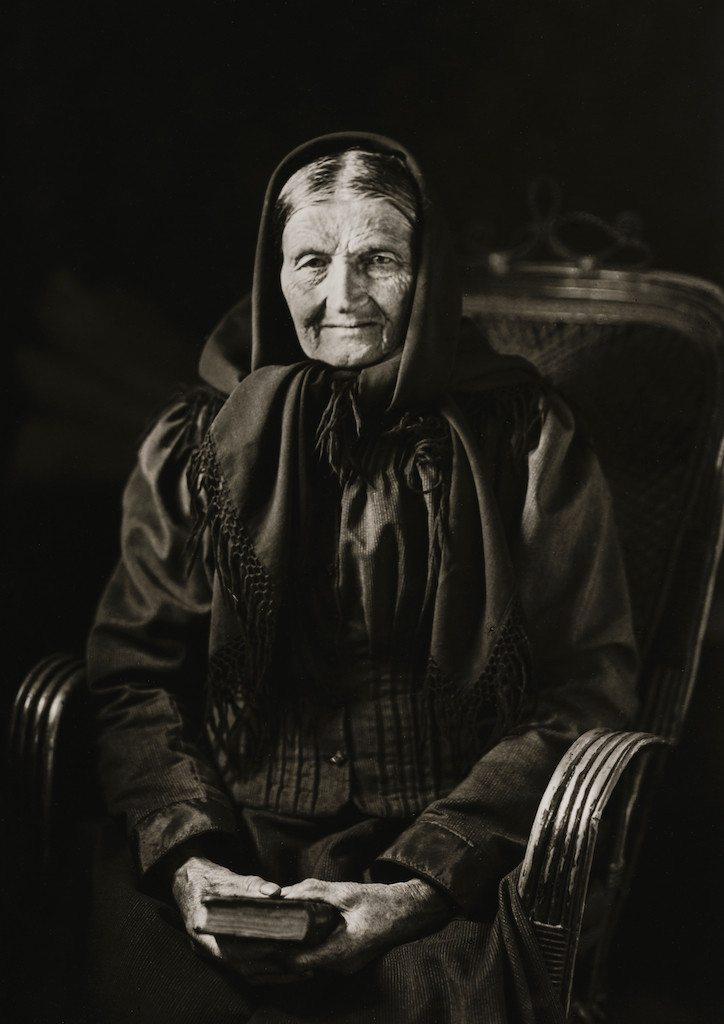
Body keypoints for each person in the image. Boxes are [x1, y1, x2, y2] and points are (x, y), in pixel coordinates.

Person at [85, 132, 638, 1023]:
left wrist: (415, 889)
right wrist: (194, 865)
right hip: (232, 840)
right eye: (312, 260)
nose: (341, 297)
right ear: (276, 274)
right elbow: (134, 677)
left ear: (427, 272)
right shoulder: (196, 446)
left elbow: (587, 692)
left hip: (451, 862)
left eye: (378, 258)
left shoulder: (527, 441)